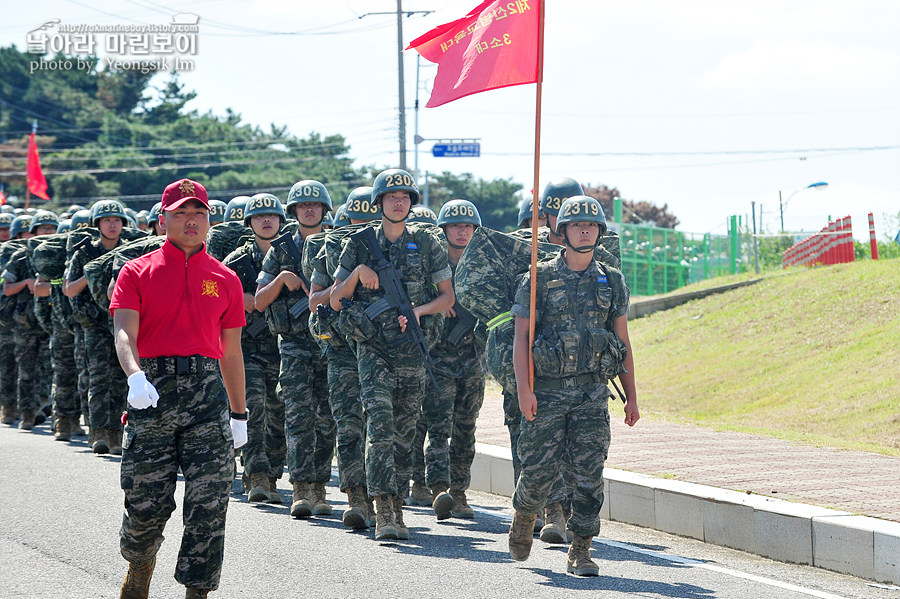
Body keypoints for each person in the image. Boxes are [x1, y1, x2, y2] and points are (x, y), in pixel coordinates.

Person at [110, 178, 247, 599]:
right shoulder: (137, 271)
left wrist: (239, 415)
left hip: (206, 395)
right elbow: (123, 333)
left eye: (199, 213)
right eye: (181, 213)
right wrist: (135, 376)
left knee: (210, 501)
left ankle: (198, 590)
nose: (191, 221)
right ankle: (140, 563)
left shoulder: (224, 278)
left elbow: (231, 352)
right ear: (162, 219)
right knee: (146, 502)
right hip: (152, 389)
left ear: (210, 221)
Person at [506, 195, 639, 577]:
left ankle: (581, 549)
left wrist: (632, 397)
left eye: (593, 225)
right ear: (561, 231)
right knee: (537, 472)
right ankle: (524, 513)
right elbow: (521, 338)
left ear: (600, 232)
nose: (586, 229)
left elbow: (622, 340)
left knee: (589, 475)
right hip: (546, 391)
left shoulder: (611, 279)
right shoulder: (538, 278)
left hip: (591, 393)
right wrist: (525, 390)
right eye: (578, 224)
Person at [330, 168, 454, 540]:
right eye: (391, 197)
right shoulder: (359, 243)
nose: (398, 202)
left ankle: (397, 504)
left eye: (405, 197)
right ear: (380, 202)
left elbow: (447, 297)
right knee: (379, 425)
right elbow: (335, 299)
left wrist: (418, 312)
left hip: (412, 349)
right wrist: (359, 273)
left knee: (404, 430)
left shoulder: (428, 243)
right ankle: (382, 507)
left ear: (411, 203)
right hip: (373, 350)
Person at [255, 180, 335, 520]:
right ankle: (301, 487)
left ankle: (319, 486)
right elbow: (259, 301)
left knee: (328, 418)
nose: (310, 210)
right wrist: (283, 278)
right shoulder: (282, 248)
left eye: (315, 205)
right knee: (298, 415)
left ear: (324, 210)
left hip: (331, 343)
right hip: (294, 345)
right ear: (294, 212)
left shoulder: (336, 244)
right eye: (303, 206)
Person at [413, 199, 487, 520]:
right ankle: (439, 488)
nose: (462, 231)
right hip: (439, 358)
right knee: (438, 427)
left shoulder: (483, 267)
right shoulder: (432, 265)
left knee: (466, 429)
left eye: (468, 226)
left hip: (472, 360)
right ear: (443, 230)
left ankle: (460, 492)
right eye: (456, 226)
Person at [223, 193, 286, 505]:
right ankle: (256, 473)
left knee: (280, 413)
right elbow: (214, 294)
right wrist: (240, 301)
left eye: (272, 216)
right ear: (249, 223)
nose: (266, 220)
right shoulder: (235, 261)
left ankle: (272, 473)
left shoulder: (292, 254)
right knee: (255, 409)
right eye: (260, 217)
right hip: (247, 348)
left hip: (285, 347)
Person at [64, 200, 129, 454]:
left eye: (116, 220)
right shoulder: (84, 253)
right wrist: (91, 272)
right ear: (97, 224)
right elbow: (69, 290)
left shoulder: (130, 251)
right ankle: (99, 432)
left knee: (121, 378)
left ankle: (117, 432)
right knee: (99, 377)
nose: (112, 225)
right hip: (94, 323)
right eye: (106, 220)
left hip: (122, 322)